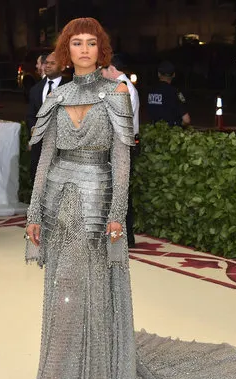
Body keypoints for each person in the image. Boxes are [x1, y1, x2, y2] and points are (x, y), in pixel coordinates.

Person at [24, 17, 236, 379]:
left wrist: (118, 213)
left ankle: (92, 377)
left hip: (98, 201)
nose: (83, 49)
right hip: (58, 203)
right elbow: (45, 158)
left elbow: (121, 160)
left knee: (88, 285)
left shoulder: (116, 94)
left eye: (90, 43)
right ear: (65, 51)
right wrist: (34, 210)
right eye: (76, 43)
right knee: (62, 285)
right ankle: (59, 375)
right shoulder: (57, 96)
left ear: (100, 50)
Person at [101, 53, 139, 248]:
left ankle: (126, 237)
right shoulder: (115, 88)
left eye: (103, 69)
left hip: (123, 145)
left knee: (121, 192)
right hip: (115, 145)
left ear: (112, 69)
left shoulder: (125, 89)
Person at [26, 51, 69, 185]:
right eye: (46, 63)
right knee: (37, 180)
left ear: (62, 67)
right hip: (39, 145)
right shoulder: (35, 89)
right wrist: (34, 130)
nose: (47, 66)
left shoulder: (70, 88)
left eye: (52, 63)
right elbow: (30, 115)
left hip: (62, 146)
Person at [146, 60, 190, 127]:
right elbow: (186, 120)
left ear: (158, 74)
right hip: (170, 133)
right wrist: (178, 125)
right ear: (174, 75)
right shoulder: (175, 92)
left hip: (153, 131)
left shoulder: (150, 91)